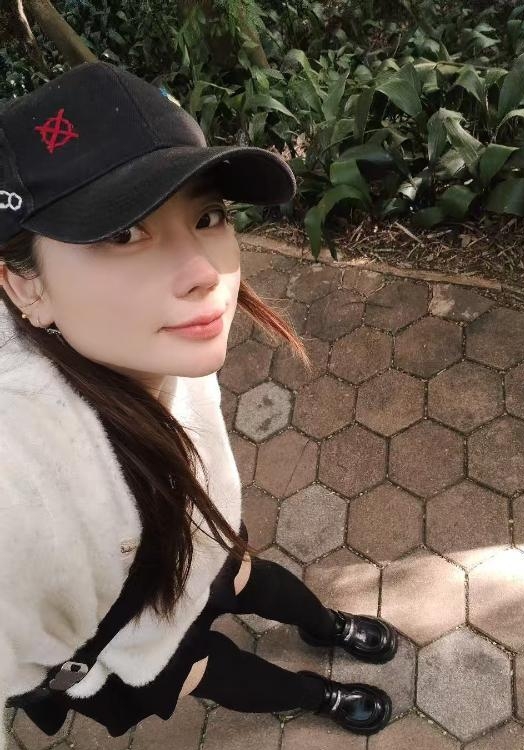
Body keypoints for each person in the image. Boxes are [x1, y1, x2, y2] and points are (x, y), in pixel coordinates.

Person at [0, 61, 398, 748]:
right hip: (130, 638)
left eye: (208, 216)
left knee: (243, 574)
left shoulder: (152, 344)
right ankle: (320, 695)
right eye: (122, 234)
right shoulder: (19, 473)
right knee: (199, 668)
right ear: (23, 286)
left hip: (201, 540)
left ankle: (324, 626)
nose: (202, 272)